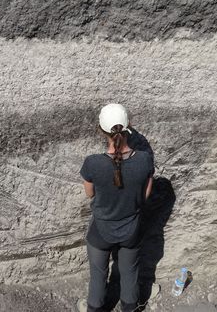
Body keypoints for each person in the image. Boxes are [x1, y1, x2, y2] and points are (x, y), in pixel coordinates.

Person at [79, 103, 154, 312]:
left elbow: (90, 193)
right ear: (128, 126)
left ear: (101, 130)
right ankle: (130, 308)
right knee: (130, 273)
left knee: (98, 274)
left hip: (100, 230)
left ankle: (94, 308)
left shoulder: (92, 163)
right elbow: (145, 196)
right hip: (131, 229)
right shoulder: (145, 160)